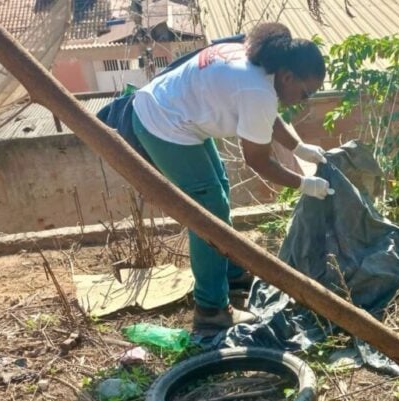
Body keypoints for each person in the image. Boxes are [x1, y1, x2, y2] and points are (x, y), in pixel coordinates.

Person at [131, 23, 332, 330]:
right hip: (164, 123)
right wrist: (304, 184)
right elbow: (257, 160)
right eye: (305, 92)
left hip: (174, 109)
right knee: (207, 213)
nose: (303, 100)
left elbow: (267, 115)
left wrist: (300, 148)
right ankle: (211, 310)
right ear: (288, 76)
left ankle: (227, 270)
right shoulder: (257, 89)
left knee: (219, 191)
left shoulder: (262, 65)